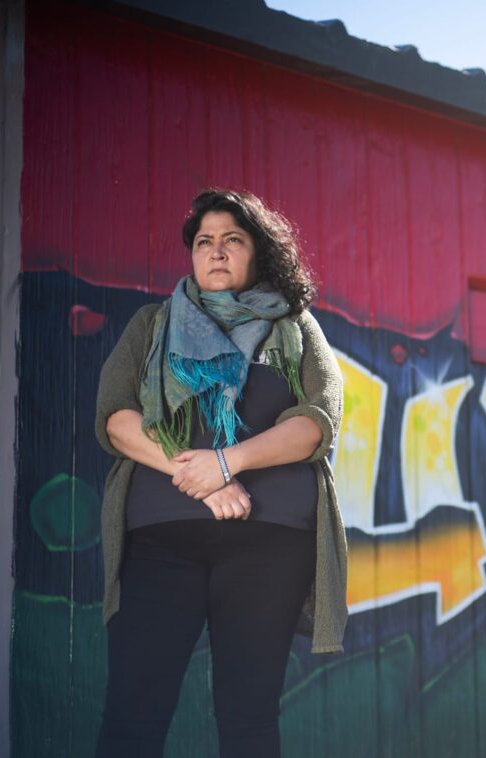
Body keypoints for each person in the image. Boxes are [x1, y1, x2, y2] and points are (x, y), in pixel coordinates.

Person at [93, 188, 347, 757]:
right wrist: (200, 478)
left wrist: (227, 461)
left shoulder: (296, 327)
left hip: (270, 543)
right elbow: (116, 419)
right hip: (161, 540)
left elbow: (317, 422)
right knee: (133, 713)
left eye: (232, 239)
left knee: (249, 720)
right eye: (205, 241)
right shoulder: (151, 325)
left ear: (258, 253)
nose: (216, 252)